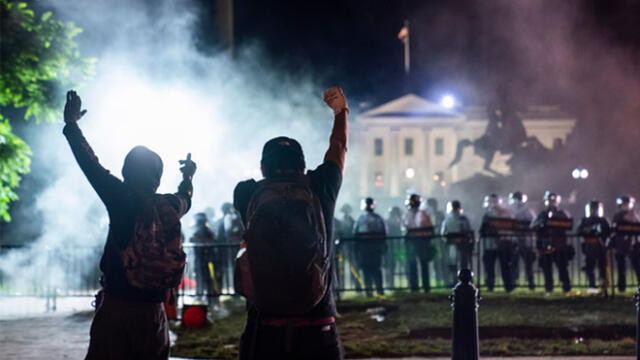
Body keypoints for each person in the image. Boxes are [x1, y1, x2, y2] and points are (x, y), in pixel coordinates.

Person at [63, 90, 195, 360]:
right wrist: (188, 175)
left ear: (125, 172)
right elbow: (187, 197)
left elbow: (90, 165)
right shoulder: (170, 205)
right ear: (157, 178)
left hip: (116, 309)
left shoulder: (120, 197)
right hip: (153, 312)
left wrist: (72, 125)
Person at [233, 86, 348, 360]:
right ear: (303, 165)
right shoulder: (322, 186)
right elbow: (338, 149)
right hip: (317, 326)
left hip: (264, 327)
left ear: (263, 168)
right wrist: (341, 112)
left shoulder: (246, 193)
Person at [532, 191, 572, 295]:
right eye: (549, 201)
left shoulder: (562, 213)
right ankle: (549, 288)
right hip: (546, 245)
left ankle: (566, 288)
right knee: (546, 268)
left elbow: (568, 225)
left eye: (553, 201)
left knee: (562, 267)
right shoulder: (542, 214)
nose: (551, 203)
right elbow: (533, 226)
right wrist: (540, 224)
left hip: (559, 245)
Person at [479, 194, 515, 292]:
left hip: (501, 244)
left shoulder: (490, 214)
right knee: (496, 266)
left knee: (503, 266)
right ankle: (501, 286)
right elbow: (483, 230)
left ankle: (502, 285)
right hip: (494, 244)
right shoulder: (488, 214)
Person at [353, 197, 387, 297]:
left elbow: (383, 233)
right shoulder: (361, 218)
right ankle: (369, 291)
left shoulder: (377, 218)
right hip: (365, 249)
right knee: (366, 270)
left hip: (374, 248)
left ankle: (379, 290)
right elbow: (356, 234)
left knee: (375, 269)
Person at [403, 194, 434, 292]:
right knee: (418, 265)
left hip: (418, 242)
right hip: (419, 242)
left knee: (417, 265)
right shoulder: (422, 214)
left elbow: (405, 228)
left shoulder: (411, 214)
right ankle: (422, 287)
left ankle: (417, 287)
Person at [577, 200, 610, 293]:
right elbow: (578, 231)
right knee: (589, 267)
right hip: (589, 246)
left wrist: (601, 233)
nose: (594, 211)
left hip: (600, 246)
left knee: (602, 266)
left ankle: (604, 285)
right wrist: (588, 230)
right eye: (592, 209)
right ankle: (592, 285)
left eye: (595, 209)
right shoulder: (585, 220)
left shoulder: (603, 220)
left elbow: (608, 232)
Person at [609, 195, 640, 292]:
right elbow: (614, 231)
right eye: (624, 204)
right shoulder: (617, 216)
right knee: (621, 267)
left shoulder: (635, 215)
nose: (625, 206)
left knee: (637, 266)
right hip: (620, 245)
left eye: (627, 204)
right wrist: (613, 245)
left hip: (634, 244)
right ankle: (621, 287)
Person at [441, 200, 474, 287]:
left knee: (458, 264)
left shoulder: (449, 219)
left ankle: (458, 281)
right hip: (456, 244)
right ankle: (459, 281)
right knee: (458, 264)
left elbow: (443, 233)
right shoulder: (461, 219)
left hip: (459, 244)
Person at [508, 191, 537, 290]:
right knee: (515, 263)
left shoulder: (527, 210)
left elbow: (533, 224)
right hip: (516, 241)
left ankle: (530, 282)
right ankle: (515, 282)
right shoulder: (512, 210)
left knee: (527, 264)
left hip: (524, 241)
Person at [190, 212, 216, 299]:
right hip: (199, 257)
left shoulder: (207, 231)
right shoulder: (196, 230)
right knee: (199, 277)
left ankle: (209, 296)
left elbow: (211, 241)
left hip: (206, 258)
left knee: (207, 277)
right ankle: (200, 294)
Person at [426, 198, 447, 286]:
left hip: (440, 241)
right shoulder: (427, 215)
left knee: (443, 261)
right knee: (435, 262)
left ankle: (445, 280)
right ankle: (438, 280)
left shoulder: (440, 214)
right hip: (433, 241)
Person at [386, 206, 403, 289]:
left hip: (397, 247)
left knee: (393, 265)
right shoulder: (390, 222)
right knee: (390, 266)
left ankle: (391, 284)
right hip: (390, 247)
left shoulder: (397, 221)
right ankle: (390, 284)